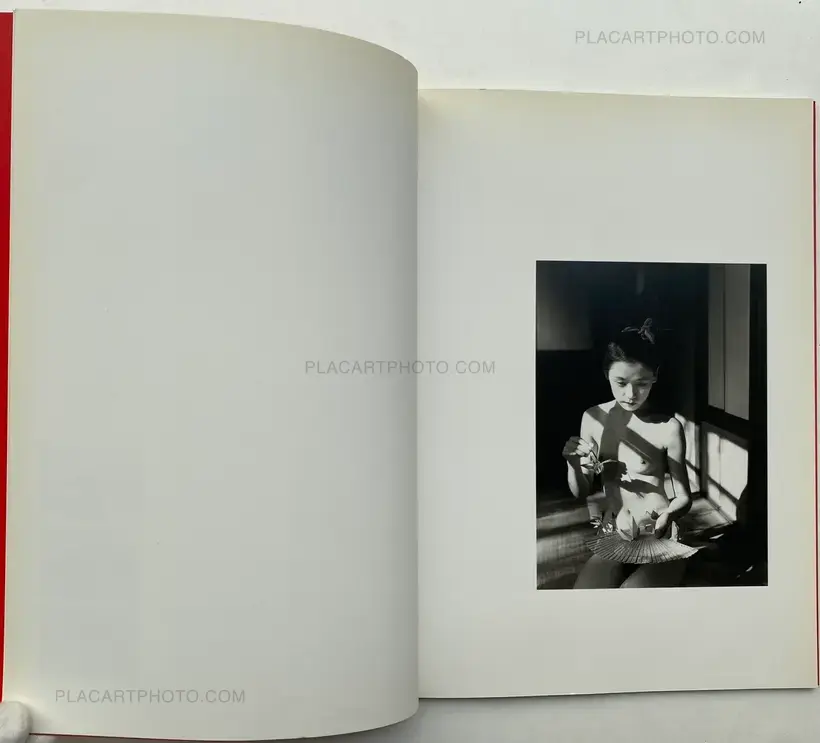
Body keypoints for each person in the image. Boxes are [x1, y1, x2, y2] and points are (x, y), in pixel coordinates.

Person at [561, 318, 693, 588]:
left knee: (633, 594)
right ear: (606, 374)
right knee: (584, 595)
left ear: (655, 375)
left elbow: (684, 497)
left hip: (659, 531)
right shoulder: (593, 418)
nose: (631, 394)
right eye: (620, 382)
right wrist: (573, 464)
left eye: (641, 383)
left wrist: (669, 516)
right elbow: (581, 492)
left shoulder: (668, 427)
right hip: (614, 531)